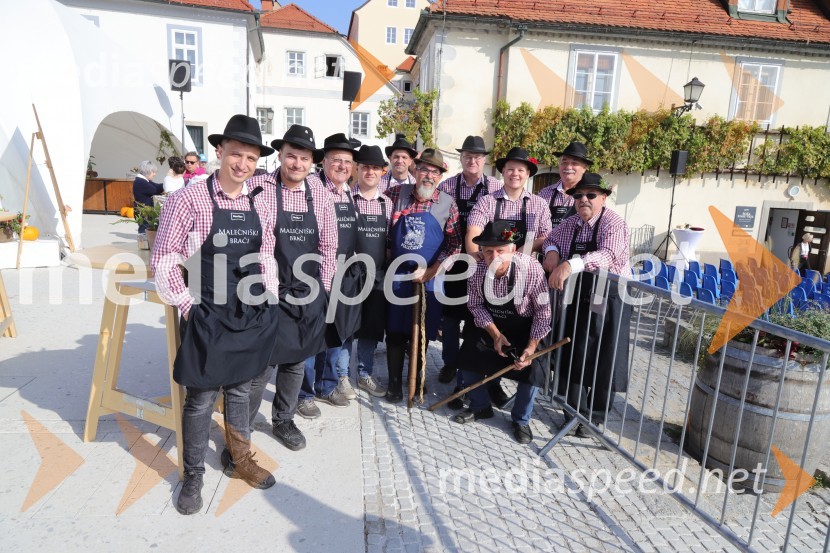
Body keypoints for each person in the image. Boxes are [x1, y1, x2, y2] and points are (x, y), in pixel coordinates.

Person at [151, 114, 279, 515]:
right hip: (207, 310)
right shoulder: (188, 199)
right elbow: (164, 259)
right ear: (219, 152)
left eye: (251, 157)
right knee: (202, 398)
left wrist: (269, 295)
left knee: (241, 390)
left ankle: (240, 459)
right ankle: (192, 477)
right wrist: (188, 305)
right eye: (236, 154)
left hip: (251, 311)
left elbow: (267, 254)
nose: (242, 164)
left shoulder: (258, 200)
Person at [246, 124, 338, 452]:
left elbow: (328, 246)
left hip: (308, 292)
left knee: (295, 362)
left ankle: (283, 419)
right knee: (262, 365)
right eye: (290, 156)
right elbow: (262, 246)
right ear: (280, 157)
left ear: (312, 162)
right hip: (270, 291)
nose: (297, 164)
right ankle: (241, 429)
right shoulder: (260, 188)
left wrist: (324, 291)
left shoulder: (321, 195)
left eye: (303, 158)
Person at [543, 173, 631, 438]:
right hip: (579, 293)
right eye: (578, 195)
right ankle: (574, 413)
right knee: (574, 351)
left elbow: (608, 254)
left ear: (603, 198)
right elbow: (550, 238)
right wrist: (552, 253)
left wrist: (570, 264)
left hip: (610, 295)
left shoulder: (613, 223)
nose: (584, 200)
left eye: (591, 195)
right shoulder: (571, 223)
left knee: (606, 357)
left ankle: (594, 419)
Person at [466, 147, 552, 406]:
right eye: (510, 168)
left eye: (521, 170)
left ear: (528, 174)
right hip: (492, 273)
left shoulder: (538, 204)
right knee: (477, 342)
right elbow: (473, 234)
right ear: (502, 171)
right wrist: (483, 258)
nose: (515, 173)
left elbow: (548, 237)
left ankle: (521, 416)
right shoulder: (487, 201)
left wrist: (519, 258)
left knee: (529, 350)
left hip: (524, 280)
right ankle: (486, 391)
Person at [452, 220, 551, 444]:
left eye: (500, 251)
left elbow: (543, 313)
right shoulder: (477, 270)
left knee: (533, 368)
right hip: (493, 325)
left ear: (513, 250)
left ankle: (521, 420)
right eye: (488, 252)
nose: (494, 257)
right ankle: (480, 407)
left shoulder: (531, 268)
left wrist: (531, 348)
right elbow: (475, 305)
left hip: (526, 327)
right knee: (468, 354)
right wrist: (496, 335)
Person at [384, 148, 462, 403]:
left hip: (431, 277)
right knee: (395, 329)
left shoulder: (448, 204)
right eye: (425, 169)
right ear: (415, 171)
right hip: (398, 276)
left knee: (424, 329)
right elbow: (385, 231)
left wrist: (430, 272)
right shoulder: (396, 194)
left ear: (440, 176)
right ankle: (395, 382)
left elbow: (455, 246)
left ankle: (417, 377)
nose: (429, 175)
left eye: (435, 171)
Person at [299, 133, 362, 418]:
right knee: (310, 339)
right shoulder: (311, 186)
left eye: (347, 161)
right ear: (323, 161)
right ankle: (302, 394)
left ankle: (326, 386)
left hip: (344, 275)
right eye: (336, 160)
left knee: (335, 335)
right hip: (313, 272)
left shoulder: (348, 192)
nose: (341, 166)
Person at [436, 135, 503, 405]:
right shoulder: (448, 186)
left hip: (486, 264)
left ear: (484, 160)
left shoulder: (496, 187)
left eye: (477, 156)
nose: (472, 160)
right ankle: (451, 362)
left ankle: (477, 367)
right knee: (451, 320)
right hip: (455, 261)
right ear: (461, 158)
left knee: (480, 318)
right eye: (467, 156)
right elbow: (437, 222)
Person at [349, 145, 393, 397]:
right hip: (349, 274)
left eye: (374, 168)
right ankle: (342, 375)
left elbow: (389, 242)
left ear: (382, 172)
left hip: (377, 275)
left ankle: (364, 373)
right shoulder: (346, 199)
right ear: (358, 168)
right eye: (365, 166)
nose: (369, 171)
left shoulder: (386, 203)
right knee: (345, 327)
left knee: (371, 327)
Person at [537, 141, 592, 230]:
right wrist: (528, 244)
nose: (568, 167)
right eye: (564, 162)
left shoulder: (591, 196)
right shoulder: (544, 194)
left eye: (574, 163)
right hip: (547, 243)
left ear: (584, 168)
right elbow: (532, 228)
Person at [132, 160, 163, 234]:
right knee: (144, 231)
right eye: (153, 172)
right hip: (143, 212)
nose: (155, 174)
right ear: (147, 171)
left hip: (145, 211)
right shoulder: (140, 182)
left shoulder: (144, 181)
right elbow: (154, 190)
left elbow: (157, 186)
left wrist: (168, 182)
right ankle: (143, 244)